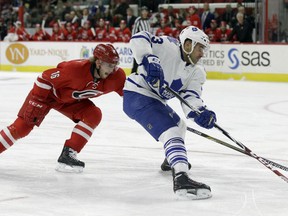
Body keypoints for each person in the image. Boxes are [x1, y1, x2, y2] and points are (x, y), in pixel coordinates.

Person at [123, 26, 217, 200]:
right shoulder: (167, 46)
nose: (202, 54)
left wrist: (200, 113)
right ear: (187, 44)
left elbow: (191, 98)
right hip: (137, 94)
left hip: (154, 100)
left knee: (180, 126)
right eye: (200, 48)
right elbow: (139, 37)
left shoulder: (196, 72)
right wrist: (148, 58)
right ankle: (181, 179)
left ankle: (171, 160)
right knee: (172, 131)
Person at [0, 44, 126, 173]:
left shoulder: (117, 77)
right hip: (47, 96)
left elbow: (129, 95)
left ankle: (69, 154)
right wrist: (38, 101)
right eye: (110, 65)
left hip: (69, 101)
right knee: (22, 128)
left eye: (115, 65)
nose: (113, 69)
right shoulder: (75, 70)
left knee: (93, 114)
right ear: (99, 63)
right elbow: (44, 78)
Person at [131, 6, 151, 74]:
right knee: (136, 61)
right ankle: (132, 75)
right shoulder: (138, 20)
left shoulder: (148, 20)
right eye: (143, 11)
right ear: (141, 12)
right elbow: (134, 32)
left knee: (147, 60)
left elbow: (149, 32)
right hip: (139, 43)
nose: (145, 12)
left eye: (146, 11)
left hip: (147, 44)